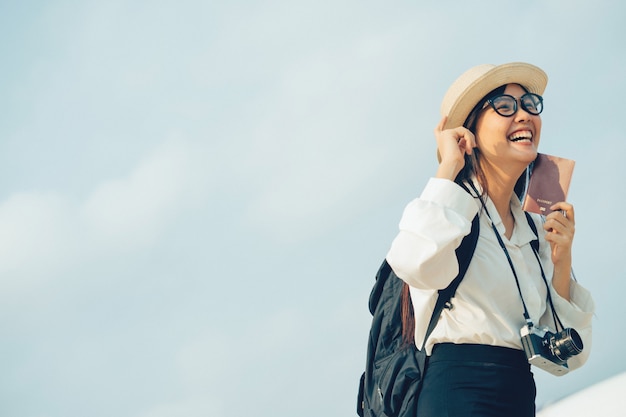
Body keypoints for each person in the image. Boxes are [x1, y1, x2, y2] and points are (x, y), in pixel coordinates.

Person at [385, 62, 595, 417]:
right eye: (504, 106)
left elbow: (571, 356)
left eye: (529, 104)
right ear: (471, 133)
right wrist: (448, 167)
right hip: (458, 391)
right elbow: (413, 262)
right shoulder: (451, 212)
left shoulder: (534, 231)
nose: (524, 115)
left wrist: (562, 260)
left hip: (517, 392)